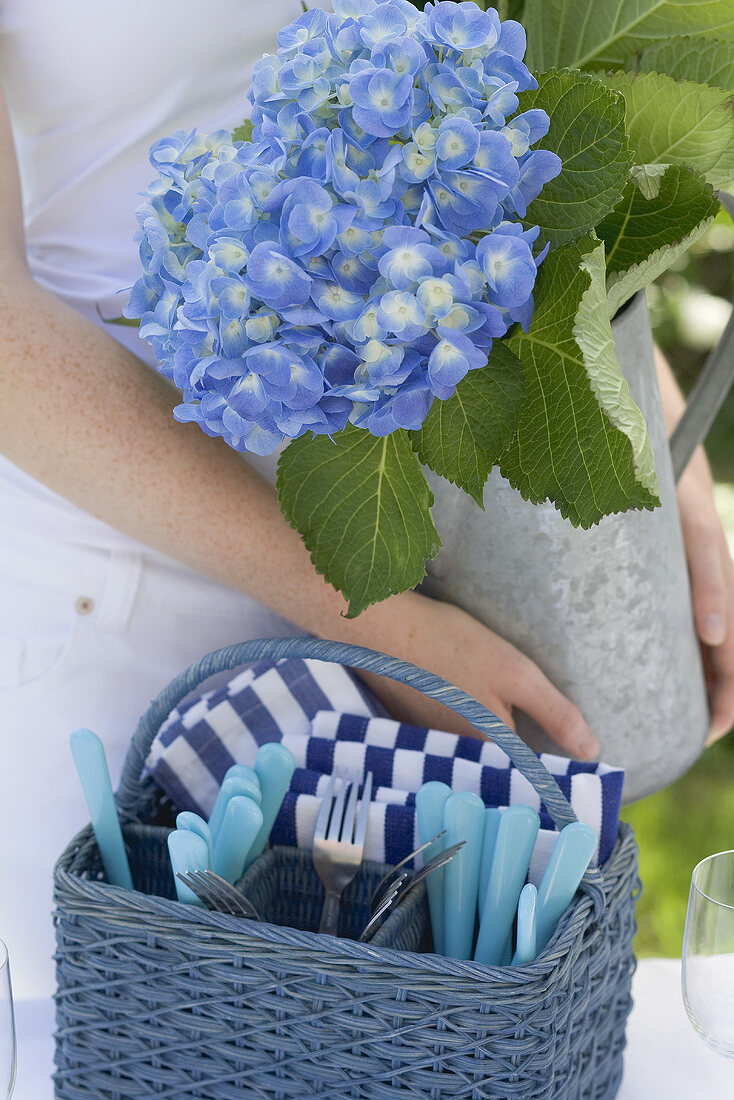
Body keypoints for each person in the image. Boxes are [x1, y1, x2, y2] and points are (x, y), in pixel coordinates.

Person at [0, 0, 732, 1011]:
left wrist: (645, 441)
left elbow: (505, 133)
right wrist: (379, 620)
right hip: (136, 620)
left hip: (445, 568)